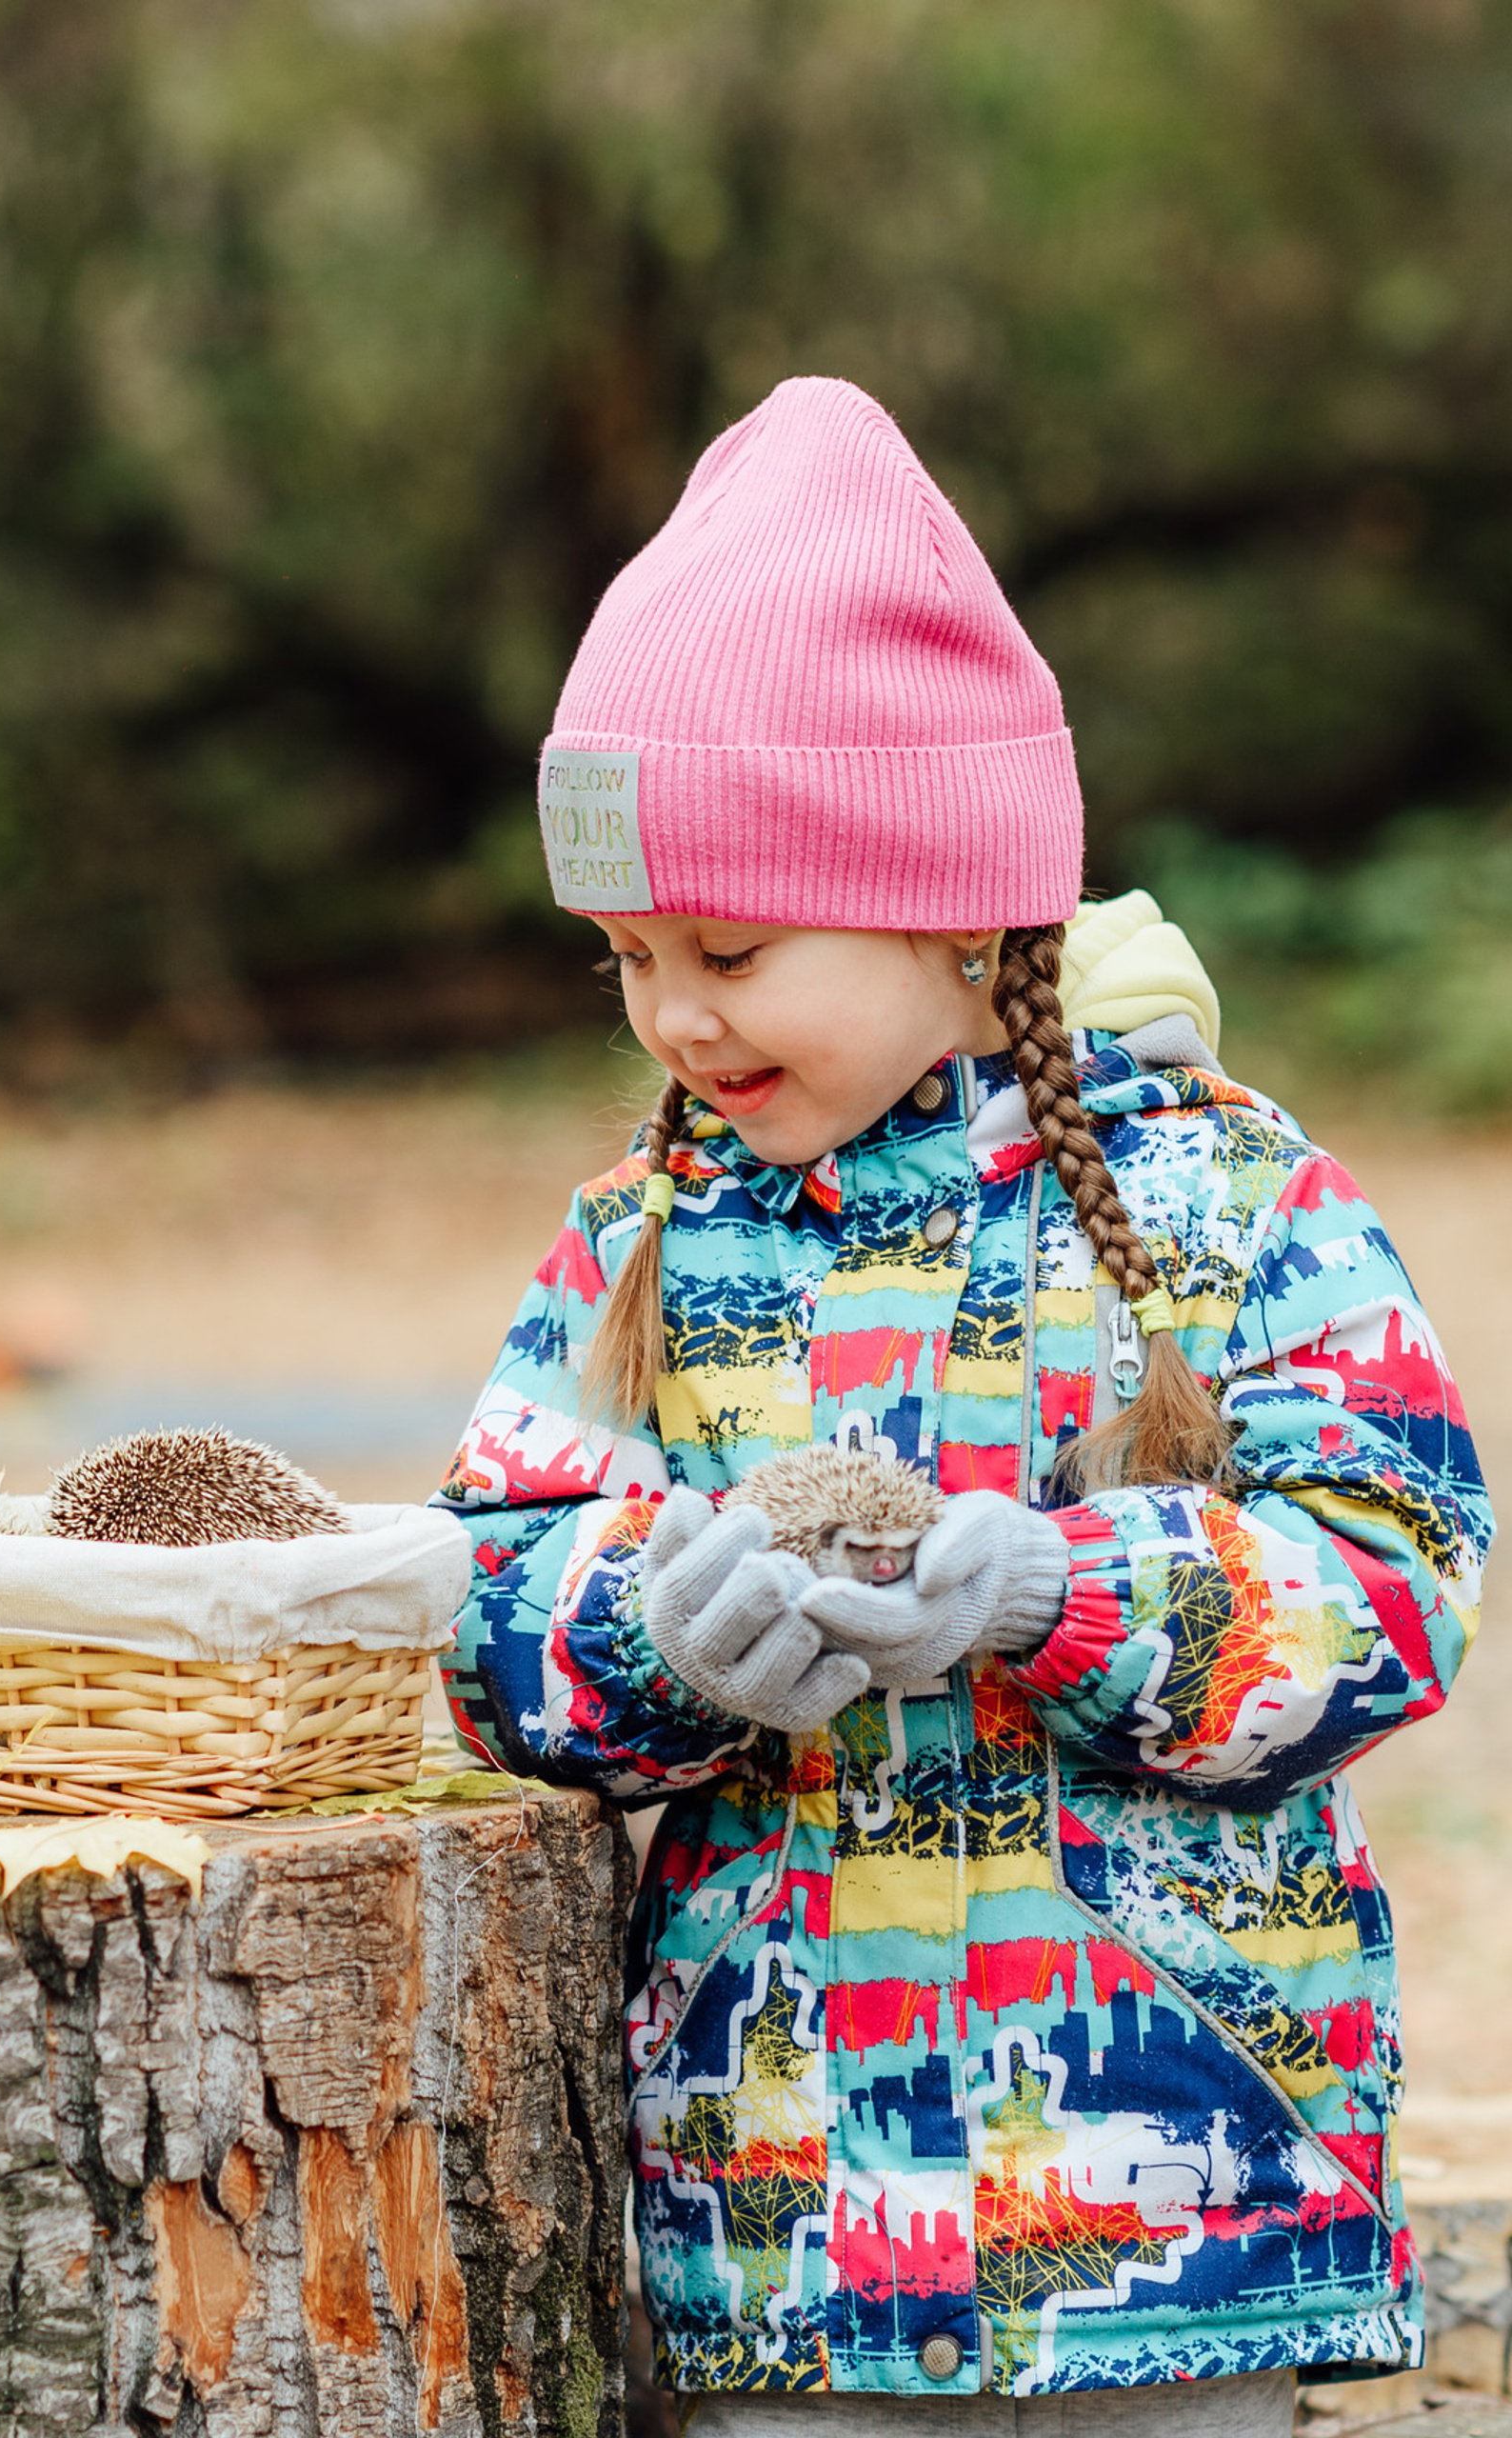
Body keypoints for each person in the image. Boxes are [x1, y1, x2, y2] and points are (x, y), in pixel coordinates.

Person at [434, 377, 1491, 2433]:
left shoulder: (1219, 1200)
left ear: (944, 899)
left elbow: (1389, 1573)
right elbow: (489, 1588)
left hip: (1178, 2204)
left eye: (727, 943)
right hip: (784, 2210)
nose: (672, 1012)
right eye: (625, 955)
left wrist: (1049, 1587)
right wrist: (643, 1640)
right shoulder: (643, 1240)